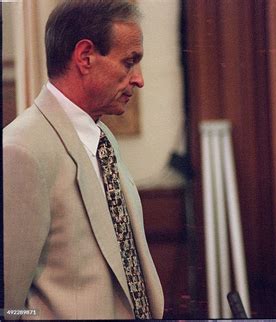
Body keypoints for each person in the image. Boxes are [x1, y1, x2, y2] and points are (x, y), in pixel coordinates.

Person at [3, 0, 164, 319]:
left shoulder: (103, 139)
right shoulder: (19, 151)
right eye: (129, 62)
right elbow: (7, 304)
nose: (139, 79)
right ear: (85, 56)